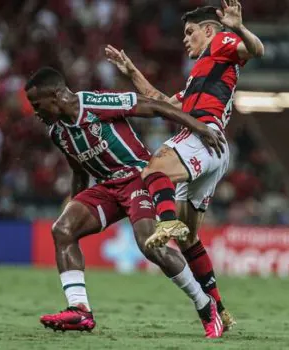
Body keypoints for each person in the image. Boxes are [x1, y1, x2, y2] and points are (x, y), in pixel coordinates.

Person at [25, 67, 226, 338]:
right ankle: (80, 310)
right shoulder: (58, 133)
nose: (35, 112)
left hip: (137, 177)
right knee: (62, 229)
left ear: (57, 95)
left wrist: (198, 127)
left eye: (37, 105)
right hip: (106, 188)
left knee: (150, 246)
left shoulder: (94, 103)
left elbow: (154, 106)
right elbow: (78, 171)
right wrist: (74, 206)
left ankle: (205, 306)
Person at [105, 0, 264, 329]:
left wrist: (237, 26)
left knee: (153, 169)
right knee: (190, 238)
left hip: (204, 136)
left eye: (190, 32)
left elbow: (256, 50)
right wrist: (131, 71)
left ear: (208, 30)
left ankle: (165, 222)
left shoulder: (221, 43)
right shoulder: (199, 76)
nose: (184, 38)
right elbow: (163, 103)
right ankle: (220, 311)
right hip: (214, 150)